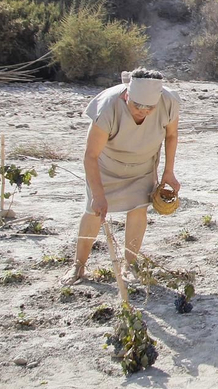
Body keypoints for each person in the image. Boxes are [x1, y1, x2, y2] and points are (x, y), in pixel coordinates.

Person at [73, 68, 180, 281]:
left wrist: (169, 172)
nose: (143, 112)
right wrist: (98, 195)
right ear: (126, 96)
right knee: (93, 213)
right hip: (106, 167)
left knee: (139, 210)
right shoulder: (108, 106)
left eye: (150, 108)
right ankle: (78, 267)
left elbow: (171, 135)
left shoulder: (168, 102)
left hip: (143, 167)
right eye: (137, 106)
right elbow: (91, 155)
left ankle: (129, 266)